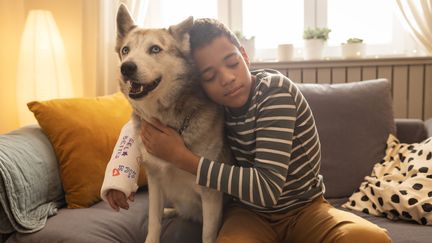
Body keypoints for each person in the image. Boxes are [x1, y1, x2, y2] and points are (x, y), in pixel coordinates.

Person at [105, 18, 392, 243]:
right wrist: (120, 179)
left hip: (305, 208)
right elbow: (142, 126)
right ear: (199, 83)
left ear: (245, 55)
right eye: (211, 76)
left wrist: (181, 157)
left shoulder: (275, 92)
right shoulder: (210, 105)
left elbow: (267, 190)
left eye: (232, 63)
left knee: (367, 238)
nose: (227, 79)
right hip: (247, 213)